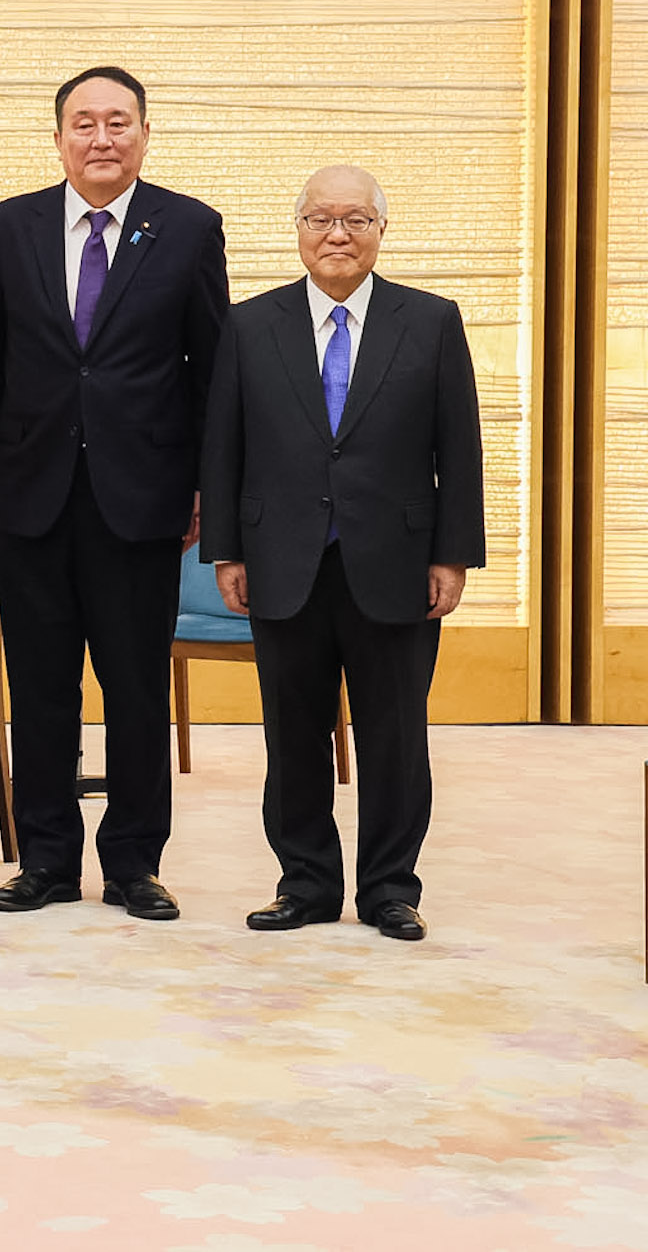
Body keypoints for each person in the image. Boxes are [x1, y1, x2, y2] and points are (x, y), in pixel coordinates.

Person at [0, 66, 229, 921]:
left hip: (143, 497)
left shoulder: (189, 228)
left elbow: (212, 371)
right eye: (85, 123)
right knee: (42, 689)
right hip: (30, 493)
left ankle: (134, 865)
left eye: (119, 122)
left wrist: (206, 485)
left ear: (144, 135)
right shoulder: (9, 226)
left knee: (136, 687)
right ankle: (44, 861)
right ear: (59, 138)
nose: (102, 138)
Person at [200, 166, 483, 942]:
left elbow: (459, 447)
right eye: (321, 219)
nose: (337, 234)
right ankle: (305, 883)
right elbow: (224, 446)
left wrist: (453, 555)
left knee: (395, 737)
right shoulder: (249, 325)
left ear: (380, 231)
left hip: (397, 562)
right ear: (297, 230)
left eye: (356, 219)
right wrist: (226, 551)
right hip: (281, 559)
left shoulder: (429, 321)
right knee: (293, 735)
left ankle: (390, 888)